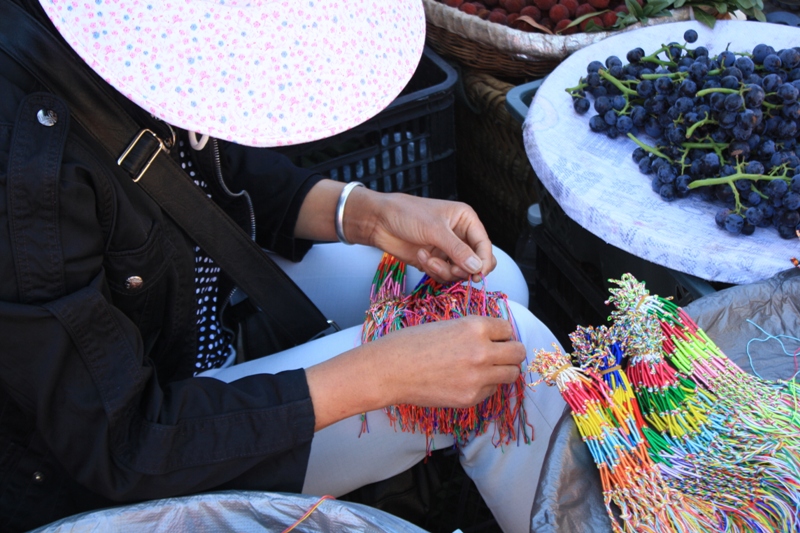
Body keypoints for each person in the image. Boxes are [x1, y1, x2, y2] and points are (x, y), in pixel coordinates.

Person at [0, 0, 565, 531]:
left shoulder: (126, 42)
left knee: (492, 286)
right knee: (507, 360)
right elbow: (119, 448)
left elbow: (203, 166)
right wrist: (381, 375)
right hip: (143, 453)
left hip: (192, 327)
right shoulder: (25, 168)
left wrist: (367, 213)